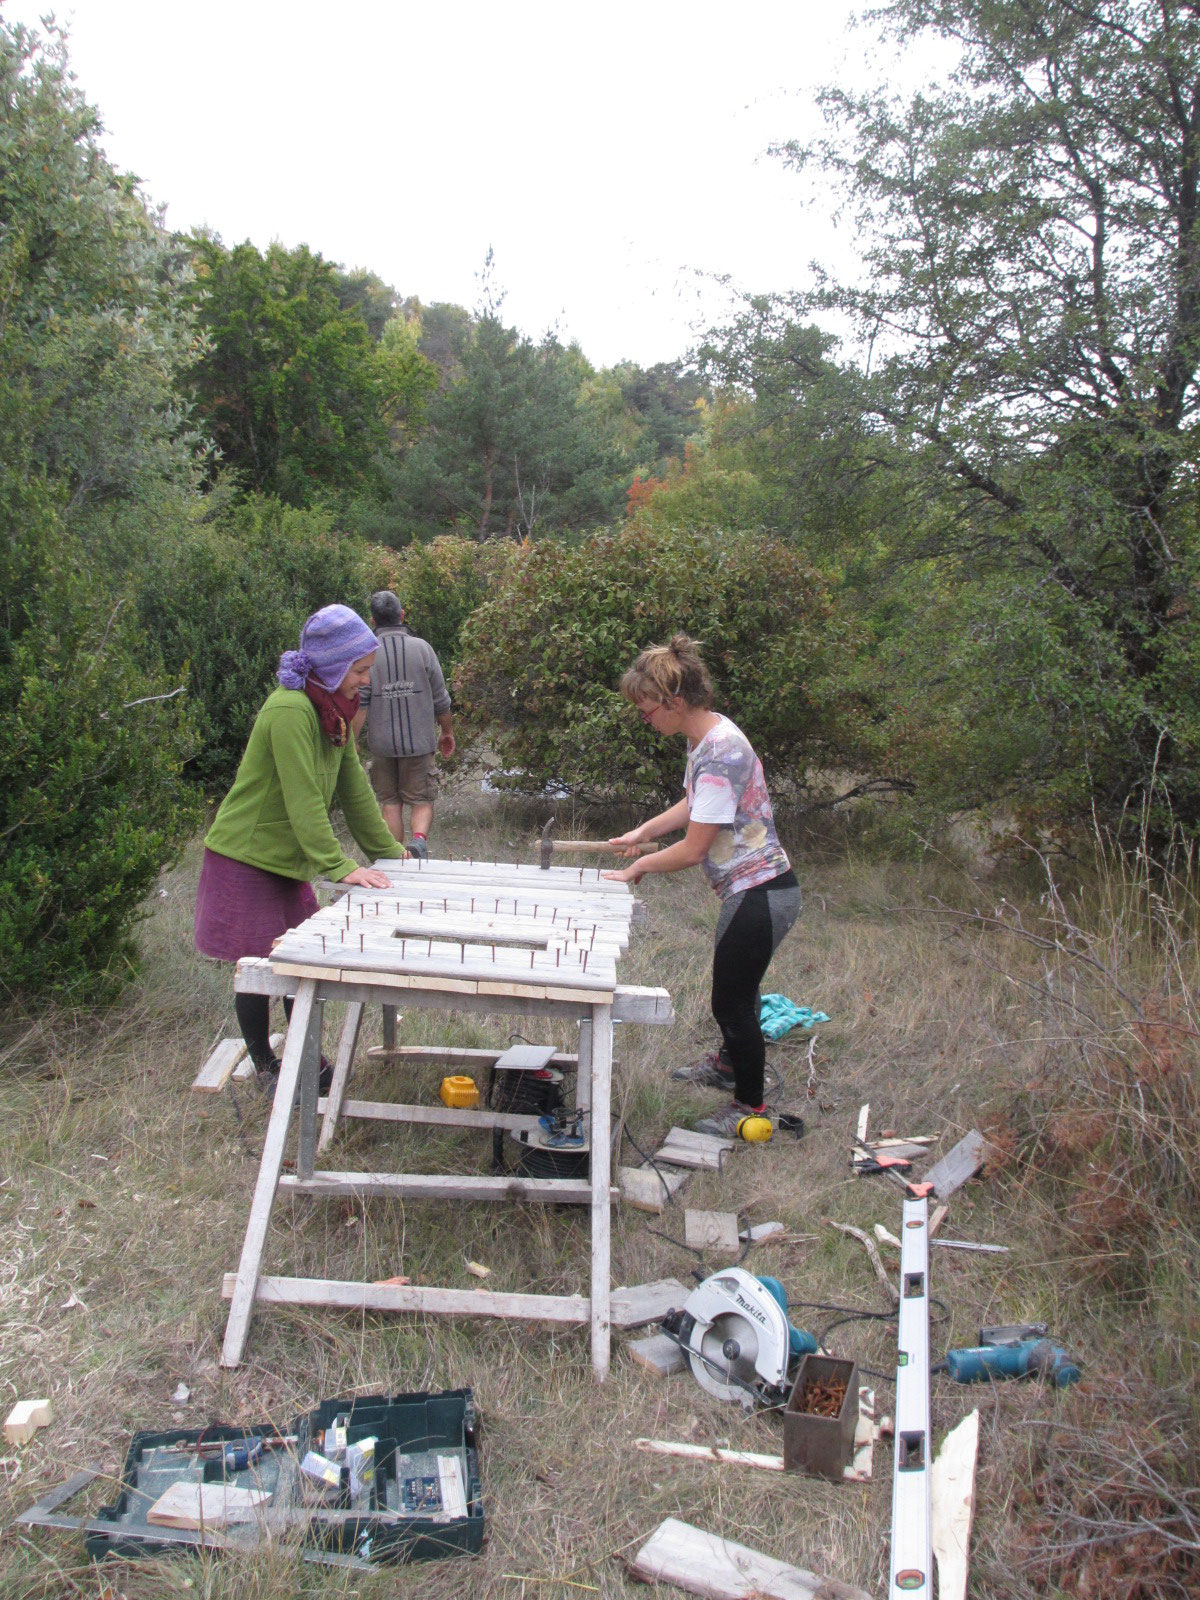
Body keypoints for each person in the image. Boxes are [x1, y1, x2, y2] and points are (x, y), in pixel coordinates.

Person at [194, 604, 406, 1087]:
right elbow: (302, 797)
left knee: (301, 955)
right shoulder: (290, 709)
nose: (363, 681)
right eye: (358, 671)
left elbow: (353, 790)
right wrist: (337, 865)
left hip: (286, 861)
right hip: (244, 855)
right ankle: (268, 1066)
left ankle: (306, 1056)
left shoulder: (333, 710)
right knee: (259, 965)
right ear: (332, 667)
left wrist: (393, 855)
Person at [603, 636, 801, 1138]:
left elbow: (693, 850)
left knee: (730, 1002)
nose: (645, 719)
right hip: (758, 891)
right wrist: (645, 831)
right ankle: (729, 1067)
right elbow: (697, 805)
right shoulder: (709, 739)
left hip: (760, 893)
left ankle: (750, 1107)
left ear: (675, 701)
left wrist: (639, 867)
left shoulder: (721, 752)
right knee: (742, 989)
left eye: (648, 709)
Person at [358, 590, 455, 859]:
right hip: (419, 743)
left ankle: (397, 857)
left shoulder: (367, 654)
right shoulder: (422, 648)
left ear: (372, 621)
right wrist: (447, 731)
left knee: (390, 803)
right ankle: (419, 841)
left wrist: (351, 743)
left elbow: (361, 704)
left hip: (382, 745)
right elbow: (441, 699)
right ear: (401, 616)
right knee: (422, 799)